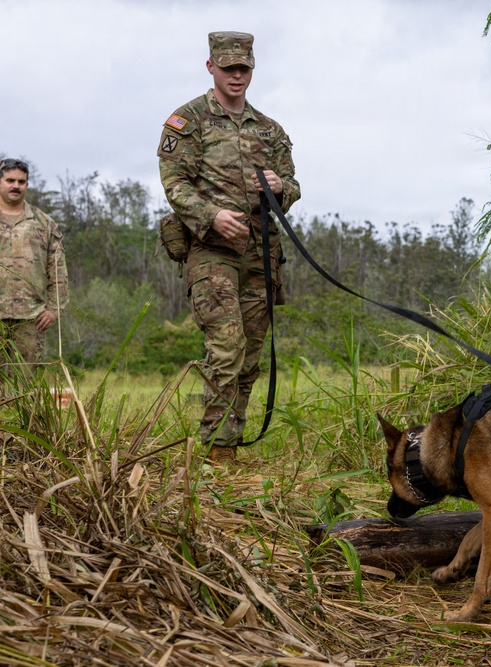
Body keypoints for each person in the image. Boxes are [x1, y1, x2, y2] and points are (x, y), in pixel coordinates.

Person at [157, 32, 300, 464]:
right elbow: (175, 184)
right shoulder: (189, 120)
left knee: (250, 354)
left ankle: (230, 442)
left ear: (252, 69)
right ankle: (218, 451)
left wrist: (281, 187)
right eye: (228, 67)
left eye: (244, 68)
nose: (236, 75)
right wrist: (210, 215)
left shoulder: (270, 130)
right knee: (227, 344)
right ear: (211, 67)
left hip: (261, 253)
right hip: (212, 250)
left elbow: (292, 183)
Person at [0, 158, 69, 388]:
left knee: (26, 386)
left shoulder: (44, 224)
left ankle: (22, 426)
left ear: (27, 184)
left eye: (21, 181)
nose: (15, 186)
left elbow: (57, 269)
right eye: (10, 180)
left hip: (31, 318)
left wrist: (54, 309)